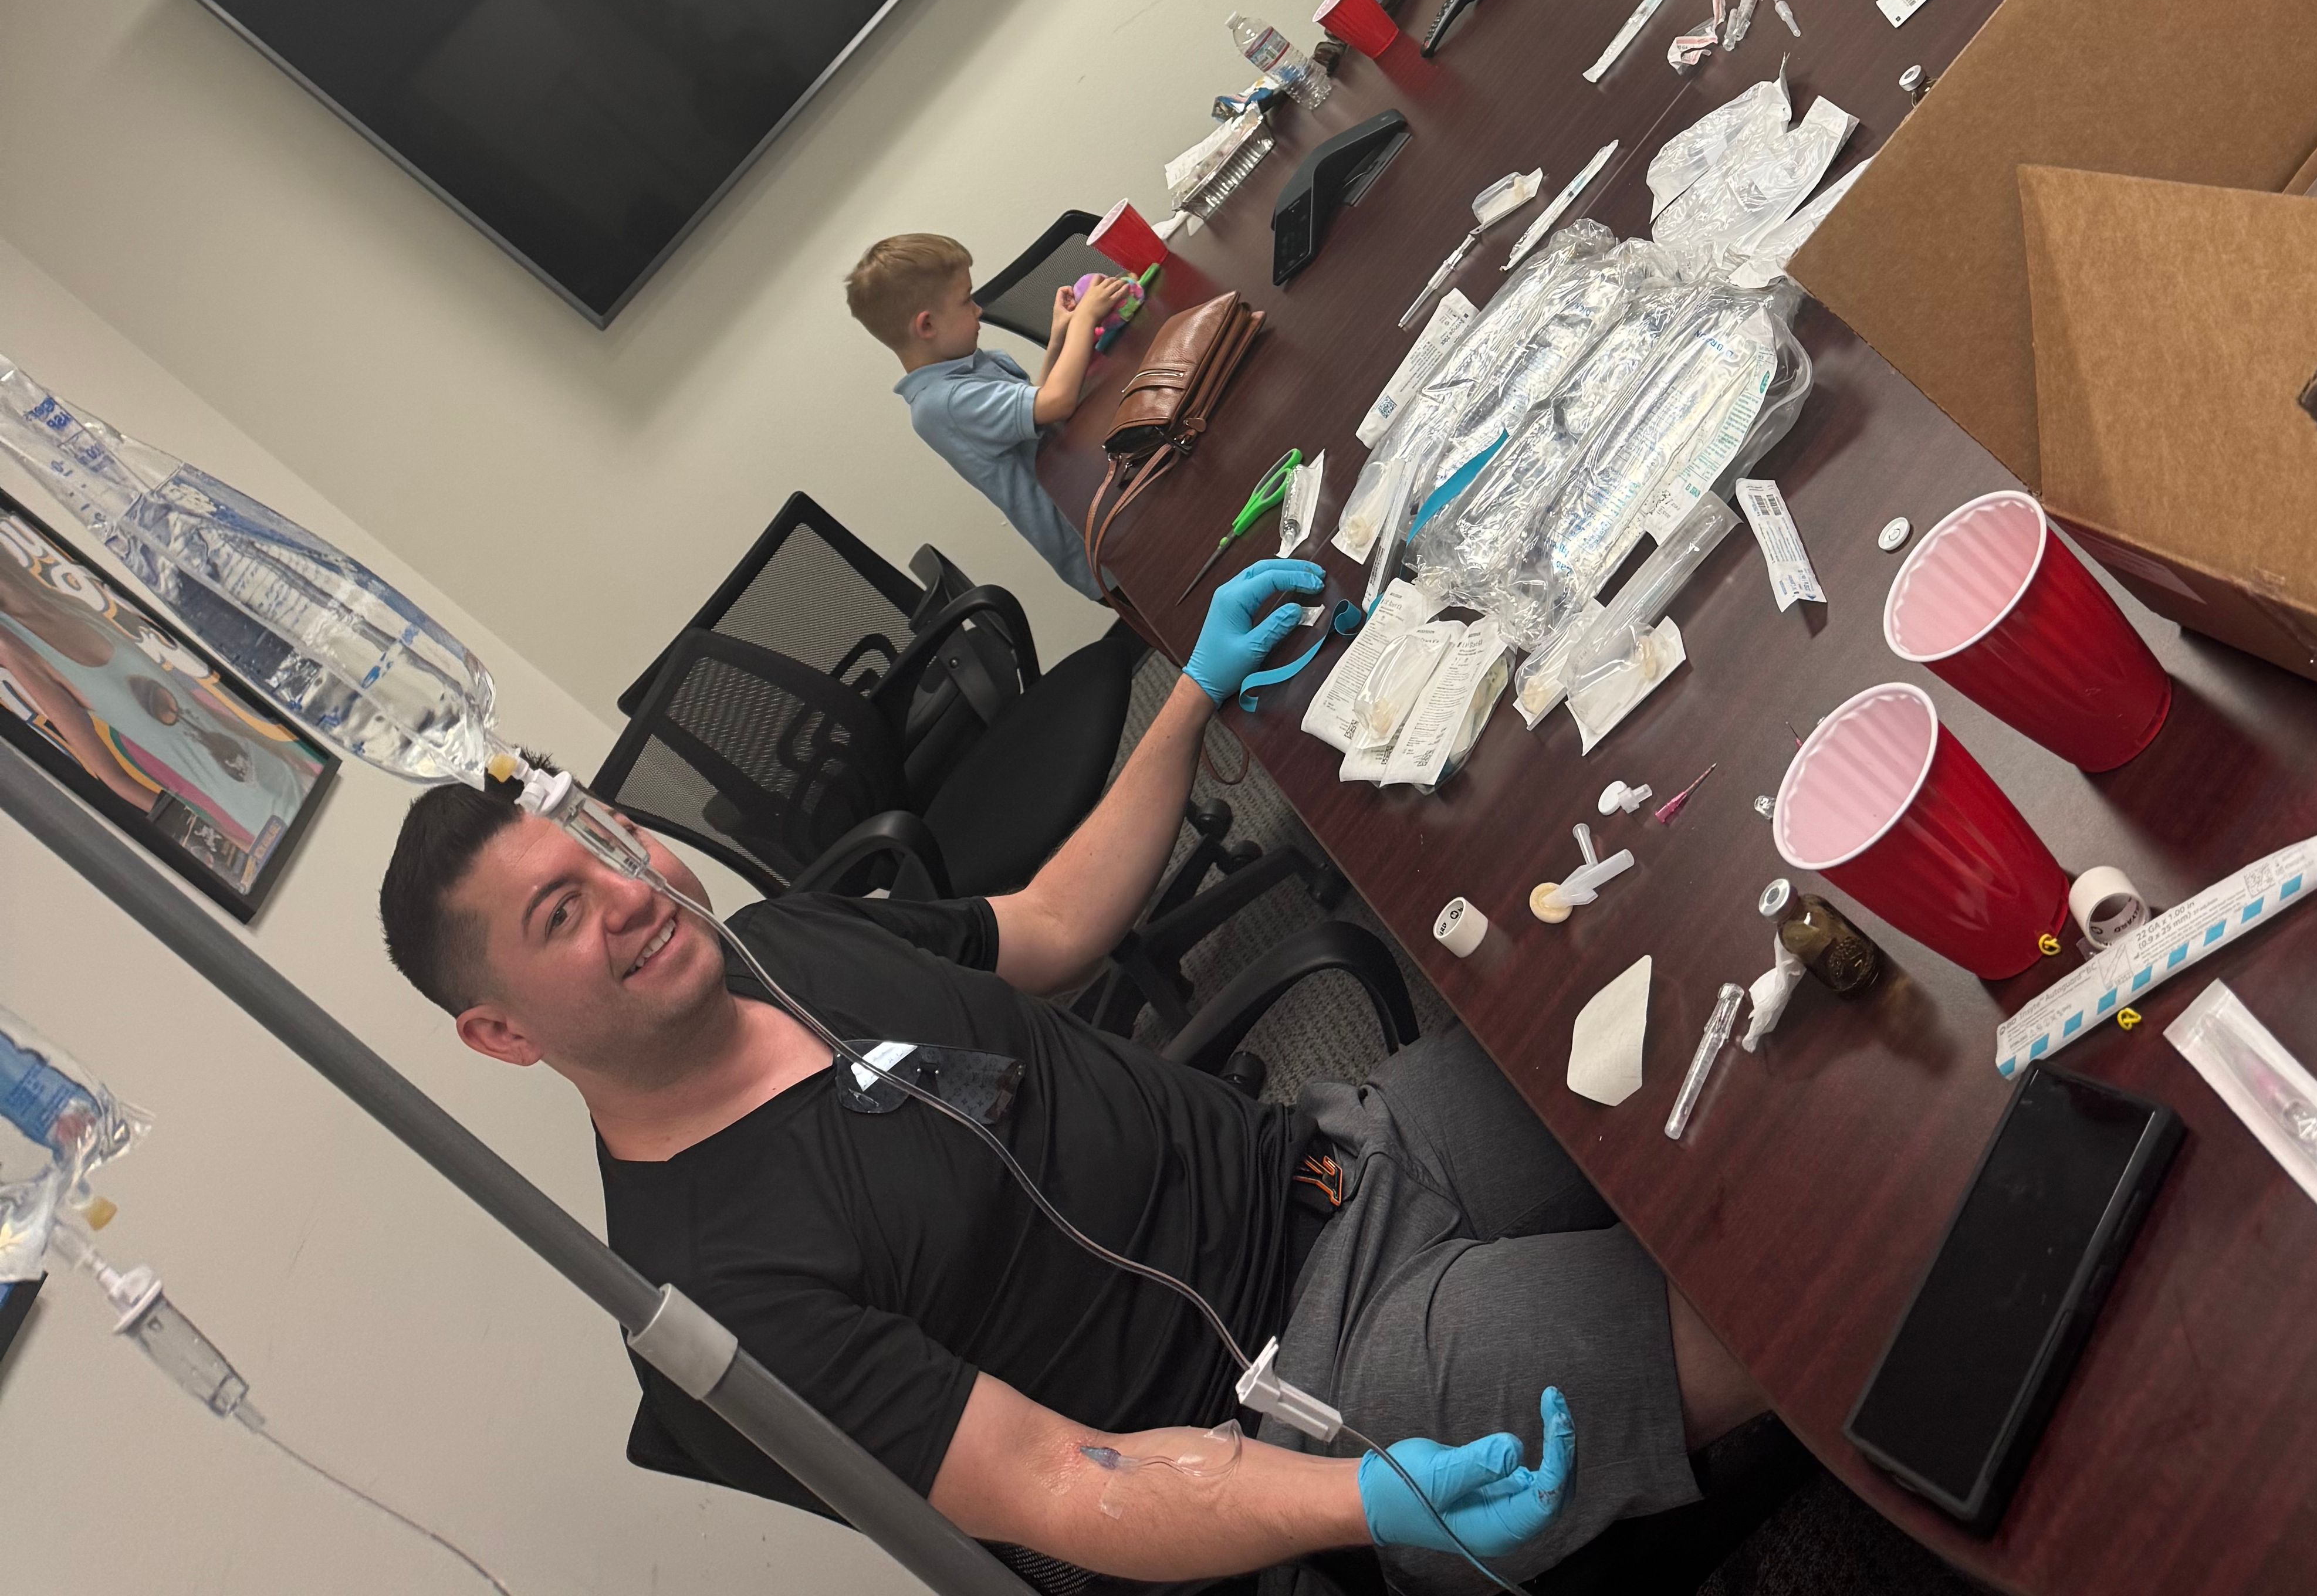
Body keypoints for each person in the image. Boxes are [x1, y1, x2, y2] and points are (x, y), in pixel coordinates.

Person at [377, 560, 1767, 1582]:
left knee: (1714, 1053)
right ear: (503, 1033)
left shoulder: (784, 938)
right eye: (561, 916)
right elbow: (1054, 1483)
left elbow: (1044, 926)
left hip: (1341, 1152)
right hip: (1313, 1392)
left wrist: (1194, 691)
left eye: (610, 844)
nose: (632, 896)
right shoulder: (718, 1298)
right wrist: (1361, 1502)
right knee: (1772, 1304)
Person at [848, 233, 1136, 603]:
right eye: (966, 300)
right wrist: (1085, 320)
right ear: (927, 326)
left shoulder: (958, 368)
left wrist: (1060, 336)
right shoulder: (945, 403)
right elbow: (1058, 403)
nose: (978, 310)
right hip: (1099, 544)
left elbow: (1034, 408)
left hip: (1098, 493)